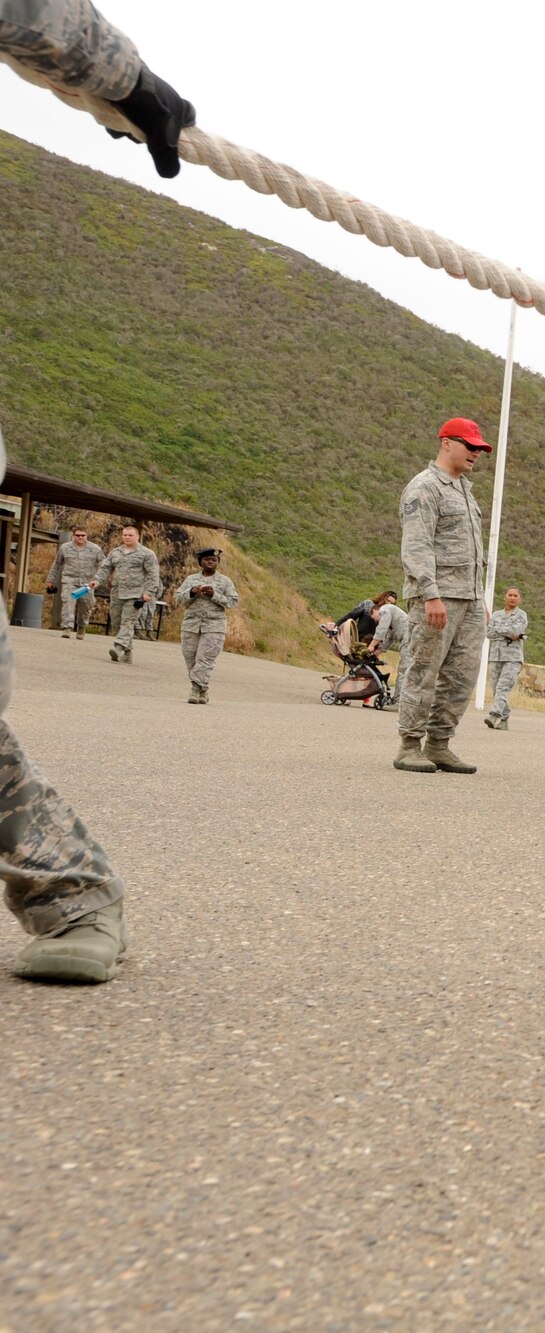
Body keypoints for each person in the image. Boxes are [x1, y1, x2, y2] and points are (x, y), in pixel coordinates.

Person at [0, 0, 196, 984]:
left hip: (120, 592)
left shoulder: (126, 550)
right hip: (98, 588)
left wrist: (122, 79)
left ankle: (67, 884)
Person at [393, 418, 490, 774]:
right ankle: (409, 744)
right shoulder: (424, 488)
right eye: (470, 446)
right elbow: (416, 546)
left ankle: (439, 744)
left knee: (461, 676)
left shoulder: (464, 489)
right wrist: (429, 594)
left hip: (469, 599)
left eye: (479, 448)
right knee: (423, 670)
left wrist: (479, 598)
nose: (476, 454)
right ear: (447, 443)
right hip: (436, 598)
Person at [172, 546, 238, 703]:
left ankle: (195, 690)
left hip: (214, 626)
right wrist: (192, 592)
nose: (210, 562)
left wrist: (214, 595)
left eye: (214, 560)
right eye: (207, 560)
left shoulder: (225, 581)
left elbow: (233, 602)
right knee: (191, 658)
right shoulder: (191, 580)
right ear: (200, 562)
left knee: (205, 659)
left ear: (218, 562)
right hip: (191, 624)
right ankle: (203, 689)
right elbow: (177, 598)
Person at [90, 523, 161, 663]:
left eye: (130, 535)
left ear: (137, 536)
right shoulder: (115, 552)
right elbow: (105, 568)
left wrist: (148, 593)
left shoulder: (146, 553)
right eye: (125, 535)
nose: (127, 537)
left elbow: (153, 574)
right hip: (117, 592)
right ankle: (127, 653)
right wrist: (97, 580)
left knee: (128, 622)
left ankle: (118, 647)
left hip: (136, 594)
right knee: (116, 622)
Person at [47, 524, 103, 638]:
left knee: (86, 605)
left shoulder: (95, 549)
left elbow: (104, 565)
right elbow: (57, 564)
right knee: (68, 602)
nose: (80, 537)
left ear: (87, 536)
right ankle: (67, 627)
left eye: (83, 535)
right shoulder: (65, 548)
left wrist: (98, 579)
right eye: (78, 535)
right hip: (70, 580)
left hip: (87, 583)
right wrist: (51, 580)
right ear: (73, 536)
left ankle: (81, 627)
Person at [484, 586, 528, 730]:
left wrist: (500, 630)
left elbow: (516, 631)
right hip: (496, 656)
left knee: (503, 687)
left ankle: (494, 714)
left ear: (519, 599)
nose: (512, 598)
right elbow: (489, 633)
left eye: (515, 595)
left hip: (513, 658)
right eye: (510, 595)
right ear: (505, 597)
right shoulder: (496, 615)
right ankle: (504, 719)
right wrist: (507, 633)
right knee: (497, 689)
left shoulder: (521, 615)